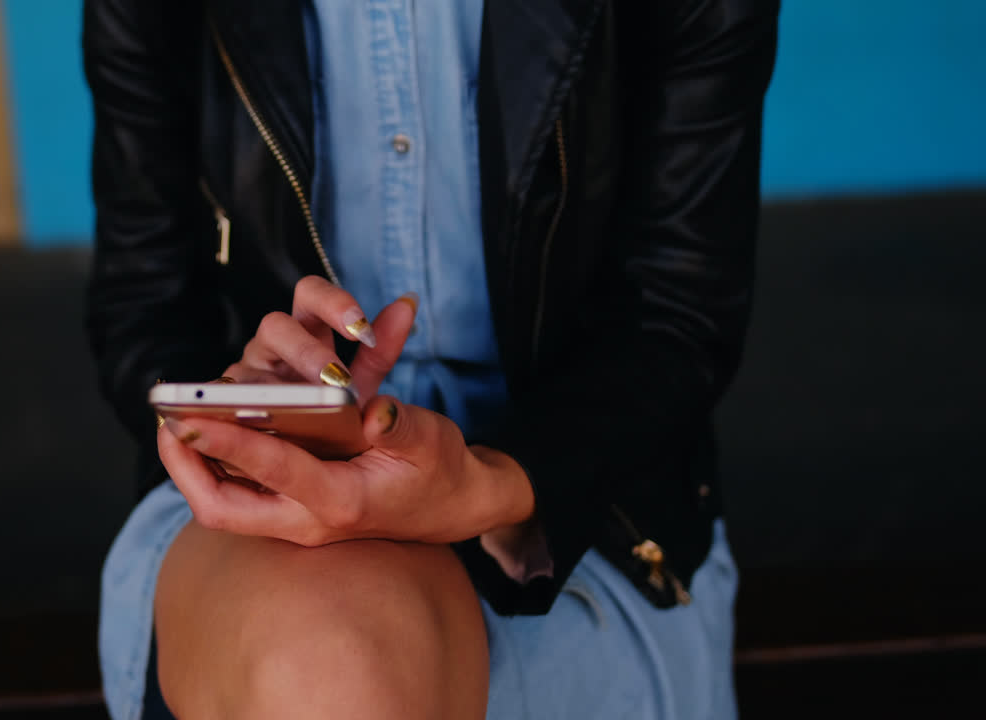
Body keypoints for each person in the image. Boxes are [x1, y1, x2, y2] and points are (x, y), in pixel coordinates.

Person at [83, 0, 778, 717]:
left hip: (589, 512)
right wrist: (240, 417)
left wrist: (493, 485)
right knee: (331, 668)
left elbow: (680, 316)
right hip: (268, 515)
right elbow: (144, 305)